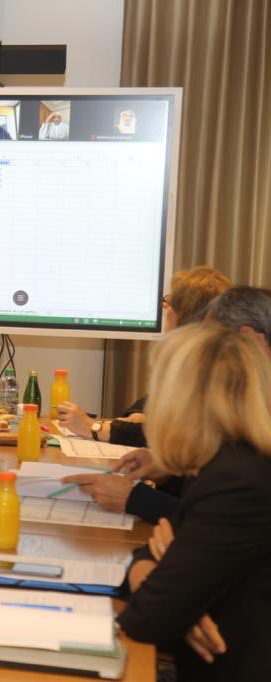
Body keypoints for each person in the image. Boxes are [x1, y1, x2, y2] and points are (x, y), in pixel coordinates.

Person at [117, 323, 271, 680]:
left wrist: (172, 599)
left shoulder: (237, 483)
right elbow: (151, 560)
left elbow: (145, 619)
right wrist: (173, 595)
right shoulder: (228, 463)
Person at [58, 266, 231, 520]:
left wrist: (134, 498)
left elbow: (215, 514)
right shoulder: (202, 372)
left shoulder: (215, 382)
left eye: (170, 302)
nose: (165, 308)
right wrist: (167, 472)